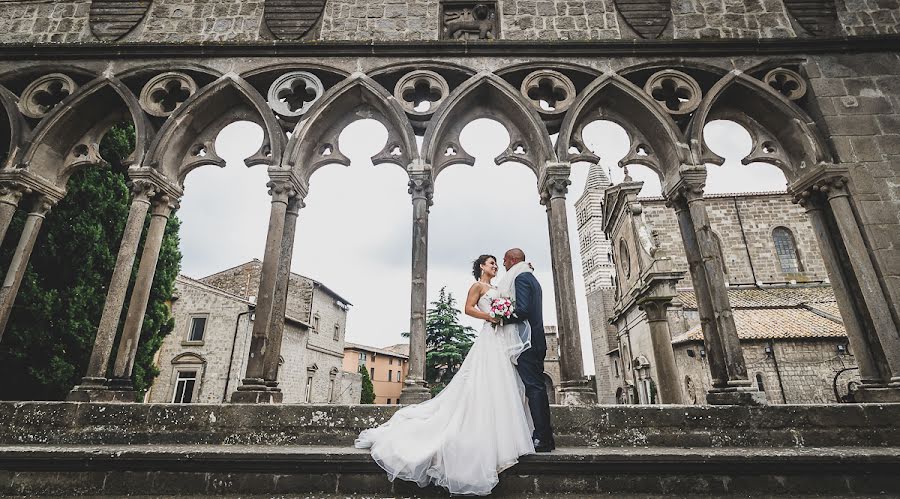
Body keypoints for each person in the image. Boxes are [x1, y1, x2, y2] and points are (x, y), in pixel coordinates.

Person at [354, 253, 537, 496]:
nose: (495, 266)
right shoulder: (478, 286)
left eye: (496, 263)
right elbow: (468, 309)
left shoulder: (497, 287)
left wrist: (525, 269)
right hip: (489, 335)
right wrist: (491, 316)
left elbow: (513, 291)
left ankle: (501, 440)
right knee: (484, 381)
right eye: (491, 263)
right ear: (482, 266)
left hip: (501, 339)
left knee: (501, 385)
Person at [503, 248, 555, 452]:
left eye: (505, 261)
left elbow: (523, 310)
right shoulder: (530, 277)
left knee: (534, 389)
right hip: (537, 341)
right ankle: (546, 437)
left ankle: (541, 438)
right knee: (537, 388)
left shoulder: (522, 278)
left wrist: (501, 317)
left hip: (528, 344)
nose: (504, 265)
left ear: (513, 260)